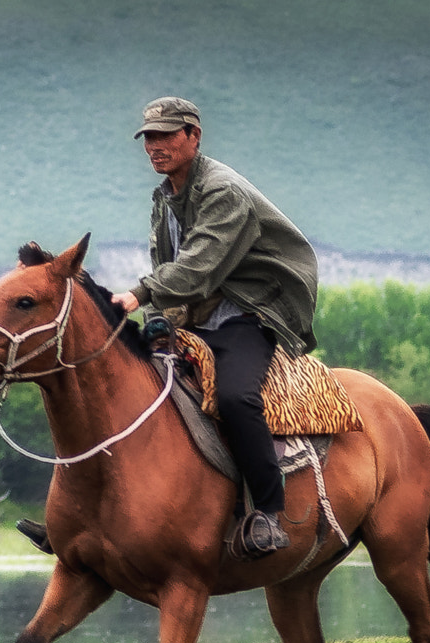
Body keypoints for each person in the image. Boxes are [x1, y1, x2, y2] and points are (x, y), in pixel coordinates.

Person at [112, 97, 321, 559]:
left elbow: (197, 268)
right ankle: (93, 520)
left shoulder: (224, 191)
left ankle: (268, 511)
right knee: (118, 387)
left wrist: (136, 296)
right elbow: (164, 261)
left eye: (167, 135)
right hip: (195, 315)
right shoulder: (165, 195)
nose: (155, 146)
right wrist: (155, 322)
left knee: (234, 397)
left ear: (194, 136)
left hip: (251, 310)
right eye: (149, 137)